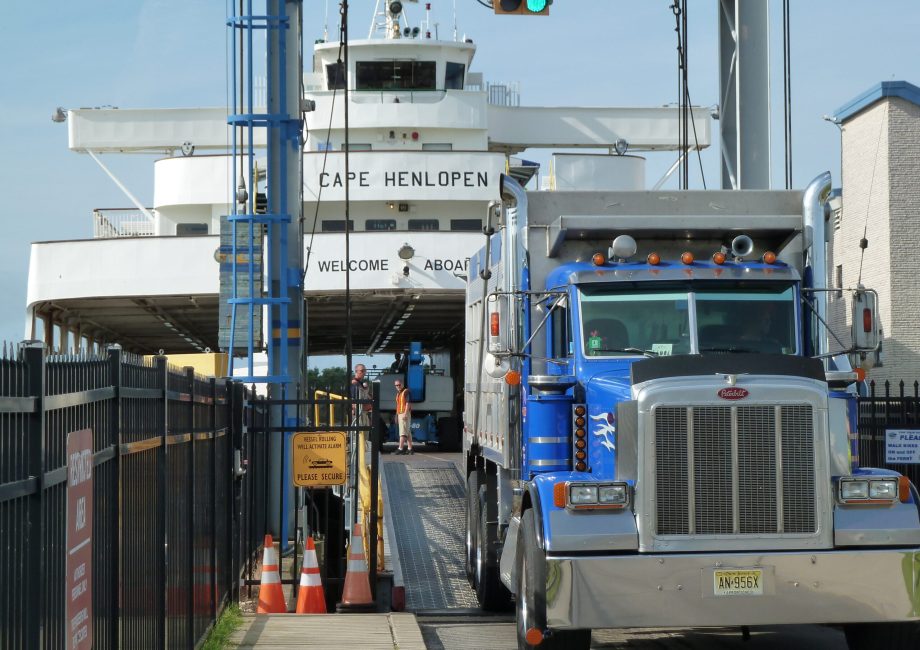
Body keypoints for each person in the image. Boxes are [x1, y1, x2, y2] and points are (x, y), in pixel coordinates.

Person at [393, 379, 413, 455]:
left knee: (403, 432)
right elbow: (398, 405)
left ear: (402, 384)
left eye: (399, 385)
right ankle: (410, 449)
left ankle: (400, 448)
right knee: (407, 432)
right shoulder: (399, 393)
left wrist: (405, 413)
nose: (398, 386)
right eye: (396, 385)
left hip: (404, 413)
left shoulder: (406, 391)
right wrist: (396, 415)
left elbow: (408, 403)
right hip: (400, 413)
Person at [350, 364, 371, 428]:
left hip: (364, 412)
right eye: (362, 371)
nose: (364, 373)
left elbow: (367, 397)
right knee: (359, 434)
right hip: (358, 412)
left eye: (365, 371)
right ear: (356, 371)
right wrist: (353, 409)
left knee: (365, 434)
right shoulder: (354, 384)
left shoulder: (361, 384)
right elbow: (353, 399)